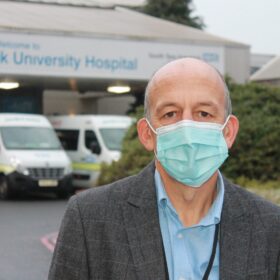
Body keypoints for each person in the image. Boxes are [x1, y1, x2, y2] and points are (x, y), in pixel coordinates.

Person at [48, 58, 280, 280]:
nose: (187, 129)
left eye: (204, 114)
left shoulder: (271, 226)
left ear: (228, 132)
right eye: (170, 114)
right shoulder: (89, 218)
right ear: (147, 134)